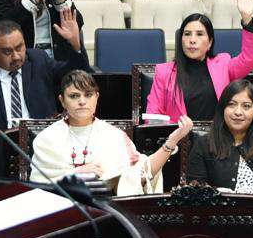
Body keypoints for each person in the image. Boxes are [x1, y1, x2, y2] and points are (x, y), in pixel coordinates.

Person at [32, 70, 194, 194]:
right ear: (62, 101)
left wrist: (171, 142)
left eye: (88, 95)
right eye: (74, 96)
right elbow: (38, 190)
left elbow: (140, 176)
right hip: (60, 216)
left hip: (105, 213)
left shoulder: (114, 136)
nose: (82, 101)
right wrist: (76, 173)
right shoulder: (46, 139)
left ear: (96, 97)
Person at [0, 20, 85, 136]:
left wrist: (75, 45)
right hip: (1, 145)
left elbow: (75, 76)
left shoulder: (38, 60)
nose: (16, 56)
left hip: (43, 140)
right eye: (7, 51)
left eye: (20, 47)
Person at [145, 0, 253, 122]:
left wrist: (247, 20)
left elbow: (250, 59)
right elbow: (153, 116)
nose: (192, 40)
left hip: (218, 139)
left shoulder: (223, 65)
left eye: (199, 34)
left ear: (210, 42)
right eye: (187, 34)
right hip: (180, 139)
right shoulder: (164, 72)